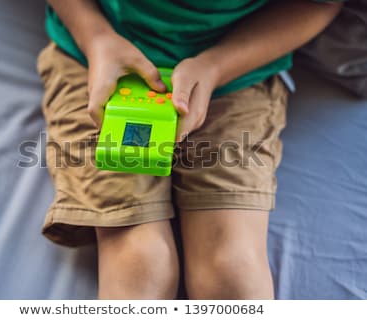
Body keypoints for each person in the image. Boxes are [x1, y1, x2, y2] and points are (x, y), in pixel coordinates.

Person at [37, 0, 343, 299]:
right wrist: (96, 38)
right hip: (97, 57)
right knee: (140, 259)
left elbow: (319, 5)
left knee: (231, 268)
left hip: (236, 70)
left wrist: (216, 67)